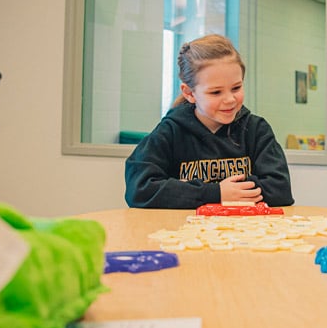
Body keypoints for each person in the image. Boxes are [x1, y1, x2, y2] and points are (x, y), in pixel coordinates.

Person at [125, 34, 294, 209]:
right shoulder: (170, 132)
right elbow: (139, 189)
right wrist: (217, 192)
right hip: (184, 232)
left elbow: (280, 190)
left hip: (245, 233)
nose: (229, 99)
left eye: (236, 88)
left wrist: (186, 190)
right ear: (189, 93)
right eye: (215, 92)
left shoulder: (256, 129)